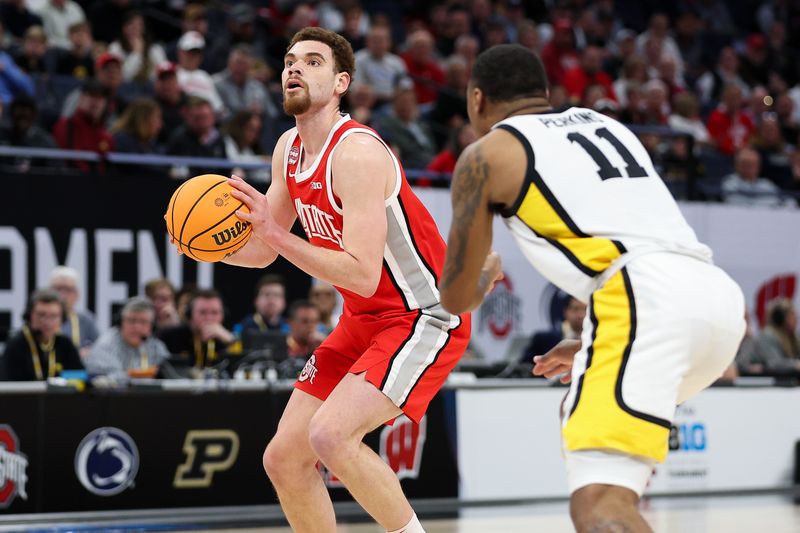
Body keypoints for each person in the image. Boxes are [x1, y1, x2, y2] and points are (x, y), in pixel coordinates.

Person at [439, 45, 745, 533]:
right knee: (578, 418)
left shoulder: (485, 154)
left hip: (646, 298)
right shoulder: (606, 124)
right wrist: (593, 343)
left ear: (476, 100)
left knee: (599, 504)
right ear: (544, 94)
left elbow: (454, 298)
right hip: (716, 298)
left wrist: (486, 274)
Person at [212, 27, 471, 533]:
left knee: (330, 436)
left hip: (422, 315)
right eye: (289, 60)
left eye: (311, 62)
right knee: (283, 459)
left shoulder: (357, 154)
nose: (294, 68)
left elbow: (360, 269)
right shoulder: (288, 148)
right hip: (361, 319)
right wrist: (210, 250)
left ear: (339, 83)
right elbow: (265, 248)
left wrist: (275, 234)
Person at [3, 289, 83, 381]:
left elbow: (80, 379)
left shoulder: (65, 344)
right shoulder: (16, 346)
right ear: (29, 316)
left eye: (53, 316)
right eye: (41, 315)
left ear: (62, 319)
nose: (47, 322)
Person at [86, 297, 170, 381]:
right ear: (120, 323)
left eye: (143, 322)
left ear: (152, 327)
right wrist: (136, 374)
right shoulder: (105, 345)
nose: (137, 327)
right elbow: (107, 381)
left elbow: (171, 371)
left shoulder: (154, 345)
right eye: (132, 321)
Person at [157, 289, 234, 369]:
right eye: (202, 312)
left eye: (214, 313)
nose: (209, 318)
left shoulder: (225, 341)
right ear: (190, 314)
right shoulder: (169, 336)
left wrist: (230, 342)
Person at [48, 265, 99, 358]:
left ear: (77, 294)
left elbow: (101, 348)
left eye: (68, 289)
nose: (62, 294)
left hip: (78, 370)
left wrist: (90, 352)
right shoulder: (41, 318)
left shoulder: (86, 319)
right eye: (58, 289)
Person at [522, 296, 586, 364]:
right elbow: (524, 367)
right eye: (575, 309)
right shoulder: (543, 340)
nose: (580, 315)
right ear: (566, 311)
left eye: (585, 309)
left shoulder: (597, 340)